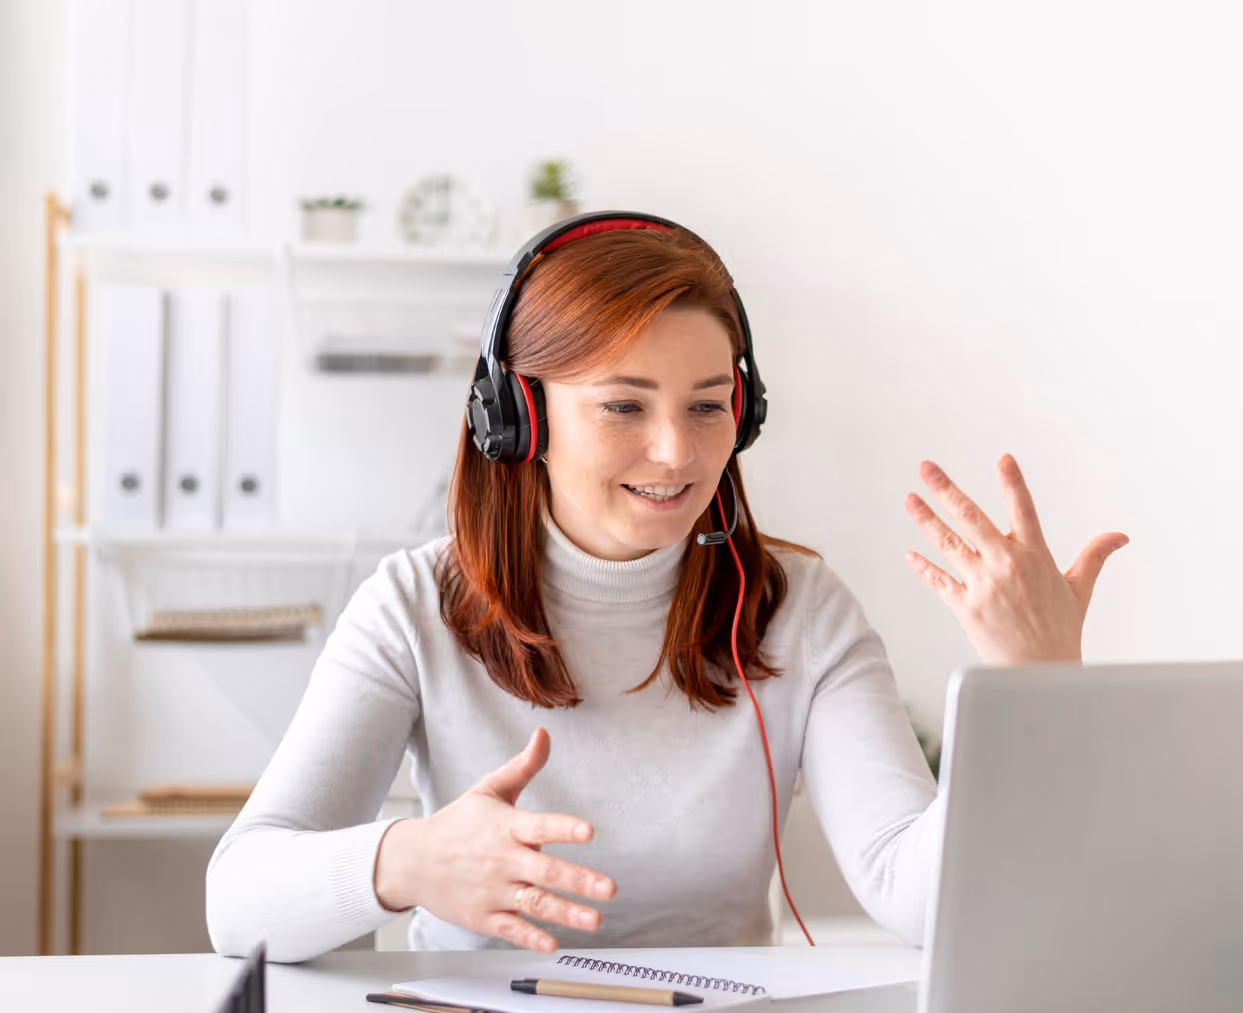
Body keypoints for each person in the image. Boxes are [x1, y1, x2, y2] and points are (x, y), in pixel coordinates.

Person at [205, 217, 1127, 963]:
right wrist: (405, 860)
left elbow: (910, 887)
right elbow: (237, 900)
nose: (678, 454)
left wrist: (1034, 680)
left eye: (706, 404)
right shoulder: (414, 605)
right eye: (623, 405)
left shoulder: (799, 609)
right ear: (520, 417)